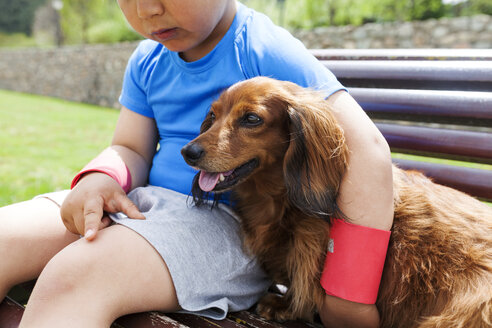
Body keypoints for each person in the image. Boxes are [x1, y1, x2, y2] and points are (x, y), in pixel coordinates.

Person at [0, 1, 394, 327]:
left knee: (75, 278)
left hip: (229, 229)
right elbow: (130, 148)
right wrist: (101, 177)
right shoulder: (148, 58)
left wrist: (349, 297)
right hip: (143, 205)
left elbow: (368, 150)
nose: (148, 9)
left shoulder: (260, 47)